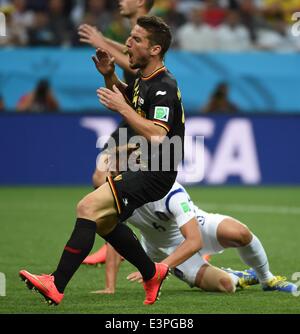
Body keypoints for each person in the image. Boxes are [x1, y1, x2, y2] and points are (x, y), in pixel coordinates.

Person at [19, 16, 187, 306]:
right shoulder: (143, 79)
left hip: (156, 169)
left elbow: (159, 135)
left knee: (87, 207)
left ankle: (56, 284)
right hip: (143, 164)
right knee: (105, 222)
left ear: (155, 49)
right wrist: (109, 75)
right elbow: (128, 100)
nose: (127, 44)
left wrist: (122, 107)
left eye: (136, 39)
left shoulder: (163, 87)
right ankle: (152, 272)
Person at [88, 181, 297, 295]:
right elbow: (114, 238)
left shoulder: (170, 191)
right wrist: (110, 287)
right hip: (166, 248)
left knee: (240, 233)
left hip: (195, 227)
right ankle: (238, 276)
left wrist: (161, 268)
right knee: (226, 286)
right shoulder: (123, 196)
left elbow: (194, 240)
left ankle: (267, 279)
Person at [78, 0, 155, 188]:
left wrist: (100, 42)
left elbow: (136, 66)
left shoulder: (152, 28)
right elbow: (127, 51)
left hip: (145, 118)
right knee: (105, 176)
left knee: (105, 176)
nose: (120, 2)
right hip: (133, 115)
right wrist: (102, 41)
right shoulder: (138, 32)